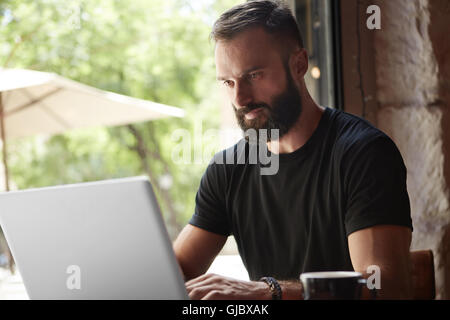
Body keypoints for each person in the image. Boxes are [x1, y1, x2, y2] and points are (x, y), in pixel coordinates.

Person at [174, 0, 413, 300]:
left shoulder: (364, 154)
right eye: (228, 81)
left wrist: (269, 293)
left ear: (299, 65)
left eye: (254, 75)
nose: (240, 98)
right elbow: (177, 270)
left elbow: (387, 288)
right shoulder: (228, 169)